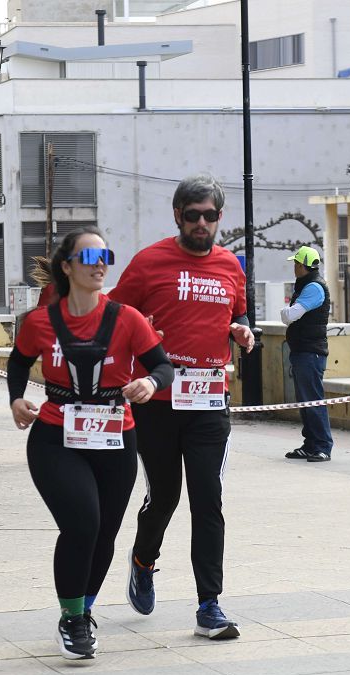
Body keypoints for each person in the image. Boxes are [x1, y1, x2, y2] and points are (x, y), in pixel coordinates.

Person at [8, 227, 173, 660]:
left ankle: (84, 609)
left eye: (105, 257)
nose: (99, 265)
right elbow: (18, 361)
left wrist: (149, 382)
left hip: (116, 437)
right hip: (55, 437)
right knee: (82, 523)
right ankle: (72, 619)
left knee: (104, 534)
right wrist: (16, 399)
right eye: (88, 257)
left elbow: (162, 367)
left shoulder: (127, 319)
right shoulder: (42, 321)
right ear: (67, 267)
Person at [110, 172, 254, 640]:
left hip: (209, 402)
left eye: (210, 216)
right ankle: (143, 559)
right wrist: (140, 329)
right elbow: (111, 317)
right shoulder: (149, 262)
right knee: (166, 496)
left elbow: (238, 312)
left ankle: (209, 604)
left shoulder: (230, 265)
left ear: (219, 217)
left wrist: (242, 330)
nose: (201, 224)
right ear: (177, 215)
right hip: (157, 401)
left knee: (208, 499)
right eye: (193, 215)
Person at [280, 246, 333, 462]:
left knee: (313, 400)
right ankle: (310, 445)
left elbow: (289, 315)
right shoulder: (306, 285)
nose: (294, 267)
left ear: (302, 266)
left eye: (296, 263)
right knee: (305, 401)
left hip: (311, 353)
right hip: (303, 351)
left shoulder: (314, 287)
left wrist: (285, 312)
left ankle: (322, 446)